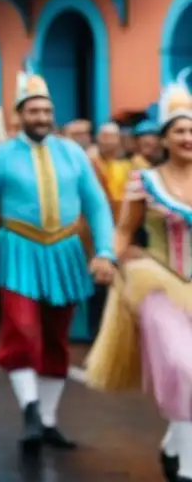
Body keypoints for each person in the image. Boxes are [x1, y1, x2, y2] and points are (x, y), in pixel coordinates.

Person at [0, 66, 115, 452]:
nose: (42, 118)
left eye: (47, 111)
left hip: (65, 253)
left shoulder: (73, 153)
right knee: (22, 328)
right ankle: (30, 408)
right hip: (17, 250)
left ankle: (46, 421)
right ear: (20, 115)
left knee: (57, 338)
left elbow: (97, 205)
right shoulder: (0, 155)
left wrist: (106, 251)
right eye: (34, 111)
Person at [86, 69, 192, 482]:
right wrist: (108, 256)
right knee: (184, 366)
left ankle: (174, 442)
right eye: (180, 130)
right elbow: (125, 229)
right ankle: (186, 466)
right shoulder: (144, 180)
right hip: (157, 279)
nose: (188, 138)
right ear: (163, 138)